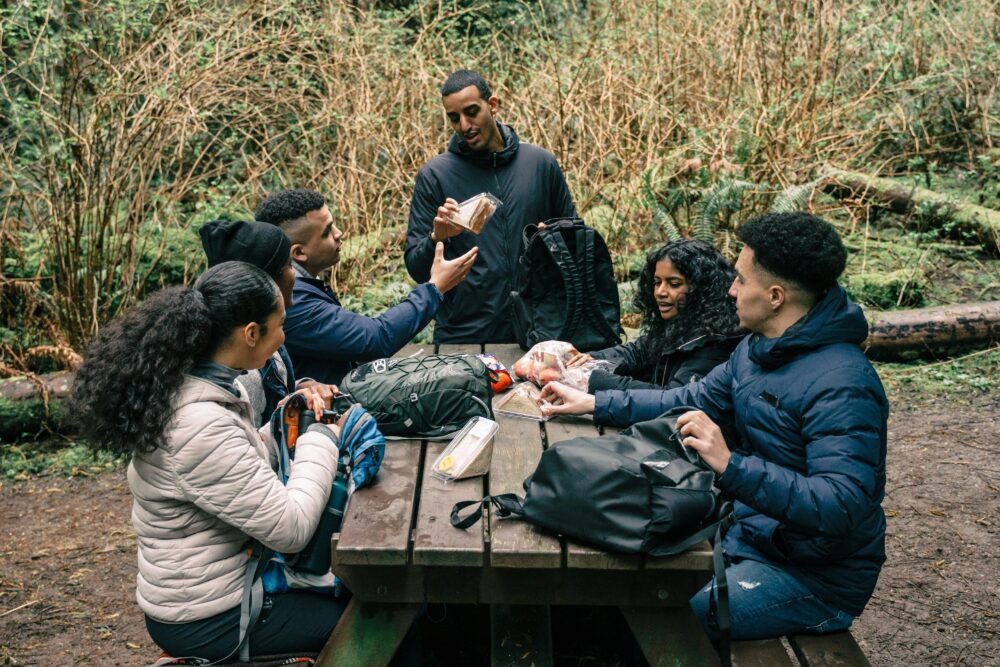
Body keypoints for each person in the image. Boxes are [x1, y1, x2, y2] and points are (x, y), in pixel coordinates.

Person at [539, 212, 888, 642]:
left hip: (814, 577)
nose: (730, 290)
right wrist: (594, 403)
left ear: (775, 296)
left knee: (671, 619)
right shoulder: (757, 350)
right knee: (620, 570)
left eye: (741, 280)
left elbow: (842, 504)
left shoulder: (842, 383)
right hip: (750, 533)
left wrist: (730, 464)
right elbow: (686, 400)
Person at [71, 261, 346, 660]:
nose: (285, 335)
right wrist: (322, 436)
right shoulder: (198, 424)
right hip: (211, 617)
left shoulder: (192, 386)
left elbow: (239, 465)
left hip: (213, 591)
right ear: (251, 333)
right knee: (371, 623)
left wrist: (288, 415)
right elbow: (291, 528)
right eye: (280, 325)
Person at [404, 69, 578, 344]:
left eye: (472, 112)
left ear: (493, 105)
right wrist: (437, 237)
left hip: (541, 330)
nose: (464, 126)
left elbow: (576, 243)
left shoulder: (540, 164)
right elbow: (416, 268)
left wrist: (554, 237)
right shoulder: (435, 175)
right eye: (454, 118)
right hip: (464, 337)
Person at [255, 188, 477, 385]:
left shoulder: (299, 288)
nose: (339, 234)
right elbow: (376, 338)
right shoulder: (292, 301)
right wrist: (435, 287)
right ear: (299, 253)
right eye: (327, 231)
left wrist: (437, 238)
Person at [199, 219, 337, 426]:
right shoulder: (244, 377)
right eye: (290, 265)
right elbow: (257, 445)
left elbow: (277, 391)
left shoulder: (260, 342)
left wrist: (303, 388)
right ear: (265, 281)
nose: (295, 275)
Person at [567, 239, 744, 392]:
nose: (660, 292)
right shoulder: (681, 323)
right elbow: (639, 351)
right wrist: (587, 361)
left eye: (674, 284)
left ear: (701, 289)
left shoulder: (715, 343)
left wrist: (592, 380)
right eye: (657, 282)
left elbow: (672, 397)